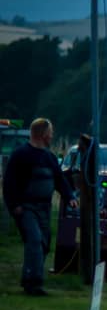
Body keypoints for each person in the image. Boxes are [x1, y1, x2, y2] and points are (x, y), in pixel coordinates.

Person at [5, 118, 78, 297]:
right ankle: (32, 283)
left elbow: (59, 179)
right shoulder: (20, 155)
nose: (52, 135)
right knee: (35, 241)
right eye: (50, 132)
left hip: (44, 208)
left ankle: (32, 278)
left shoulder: (49, 157)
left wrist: (69, 197)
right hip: (26, 208)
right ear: (42, 134)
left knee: (44, 244)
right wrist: (15, 206)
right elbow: (9, 184)